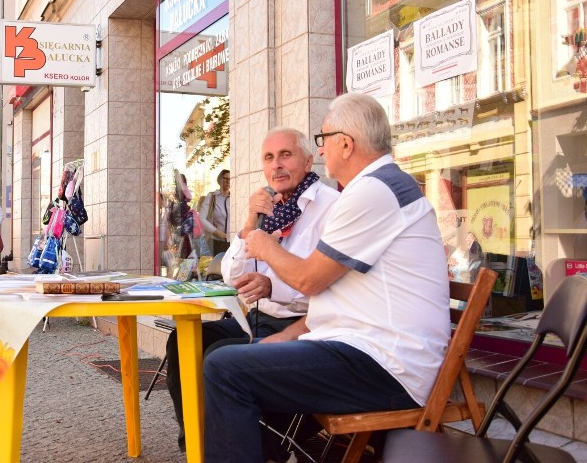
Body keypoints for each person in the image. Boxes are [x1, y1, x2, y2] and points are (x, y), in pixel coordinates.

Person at [203, 93, 450, 462]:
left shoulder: (373, 190)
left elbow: (308, 280)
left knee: (225, 370)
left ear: (346, 144)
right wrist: (286, 337)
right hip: (367, 350)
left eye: (324, 139)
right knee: (232, 360)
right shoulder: (376, 186)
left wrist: (261, 243)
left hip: (386, 366)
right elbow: (332, 300)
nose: (322, 150)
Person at [166, 128, 339, 452]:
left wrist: (275, 287)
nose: (277, 165)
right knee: (182, 342)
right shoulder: (269, 210)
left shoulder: (330, 207)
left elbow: (328, 285)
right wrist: (249, 222)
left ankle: (254, 445)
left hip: (305, 322)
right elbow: (233, 277)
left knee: (219, 357)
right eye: (269, 158)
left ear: (308, 158)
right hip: (259, 316)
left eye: (286, 155)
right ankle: (196, 447)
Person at [198, 169, 231, 256]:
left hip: (233, 242)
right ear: (219, 180)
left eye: (230, 179)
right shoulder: (212, 197)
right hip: (215, 242)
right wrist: (216, 232)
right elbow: (201, 218)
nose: (228, 181)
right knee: (216, 268)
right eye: (225, 179)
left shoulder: (235, 197)